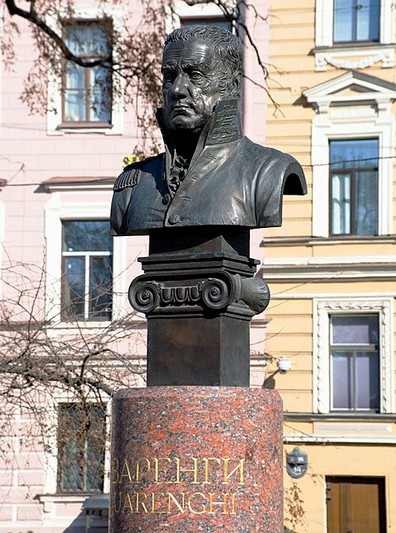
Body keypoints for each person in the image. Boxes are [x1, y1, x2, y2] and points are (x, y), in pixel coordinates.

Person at [111, 25, 306, 235]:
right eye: (169, 76)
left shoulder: (268, 171)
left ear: (231, 85)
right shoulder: (134, 184)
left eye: (194, 75)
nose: (176, 90)